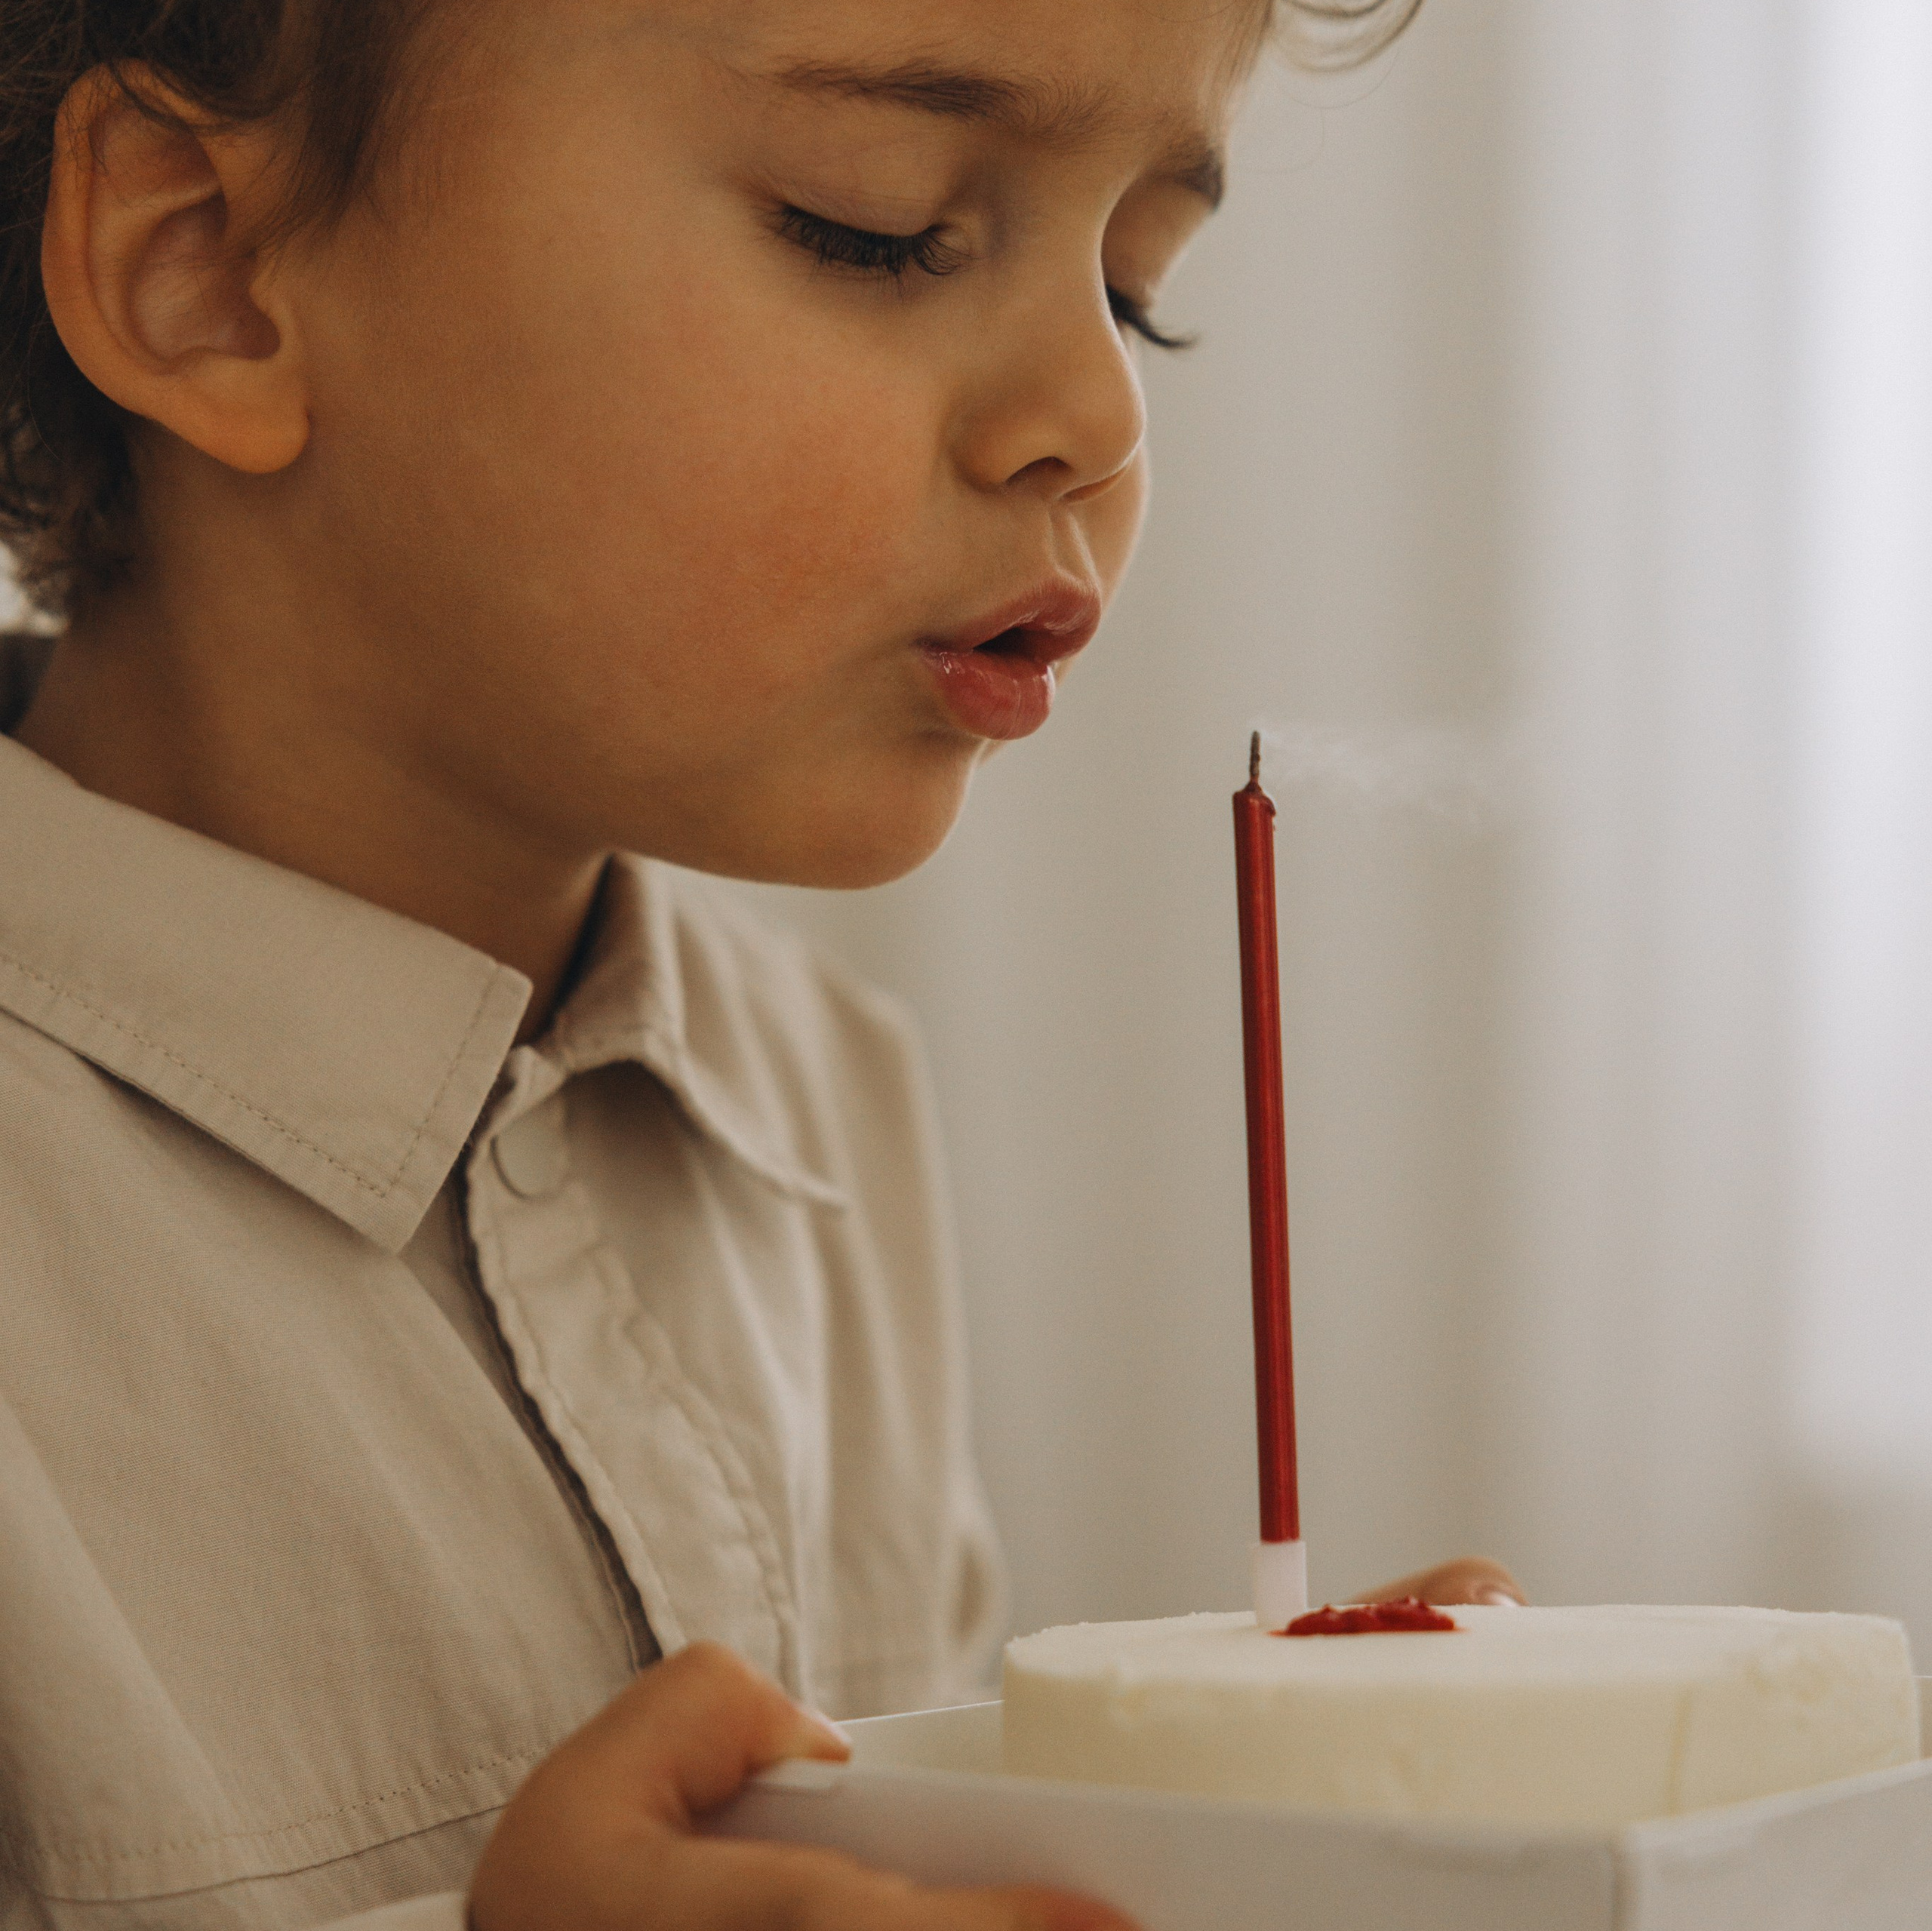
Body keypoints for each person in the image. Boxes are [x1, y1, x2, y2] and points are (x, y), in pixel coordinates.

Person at [0, 2, 1518, 1926]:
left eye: (1133, 290)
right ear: (204, 270)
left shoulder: (827, 1108)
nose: (1098, 412)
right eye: (873, 227)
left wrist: (1210, 1845)